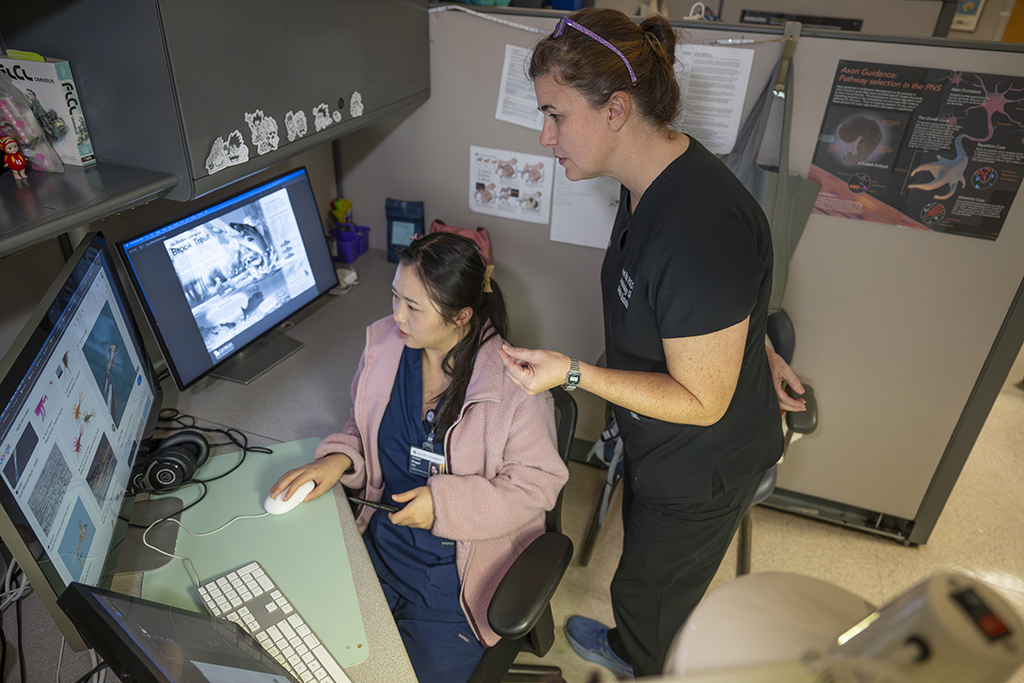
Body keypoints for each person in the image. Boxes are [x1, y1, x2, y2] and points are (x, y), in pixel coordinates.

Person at [498, 8, 803, 679]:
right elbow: (720, 311)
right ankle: (634, 640)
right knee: (641, 566)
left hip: (700, 460)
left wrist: (573, 372)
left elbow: (701, 398)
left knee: (657, 591)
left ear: (617, 110)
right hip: (658, 440)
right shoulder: (649, 185)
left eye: (555, 114)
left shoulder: (699, 228)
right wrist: (763, 350)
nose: (545, 136)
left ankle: (644, 662)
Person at [270, 233, 569, 683]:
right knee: (309, 660)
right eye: (395, 298)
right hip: (379, 552)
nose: (397, 316)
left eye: (413, 307)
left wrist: (443, 504)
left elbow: (537, 486)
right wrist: (339, 459)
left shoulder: (514, 389)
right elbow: (362, 426)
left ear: (461, 316)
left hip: (454, 586)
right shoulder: (386, 349)